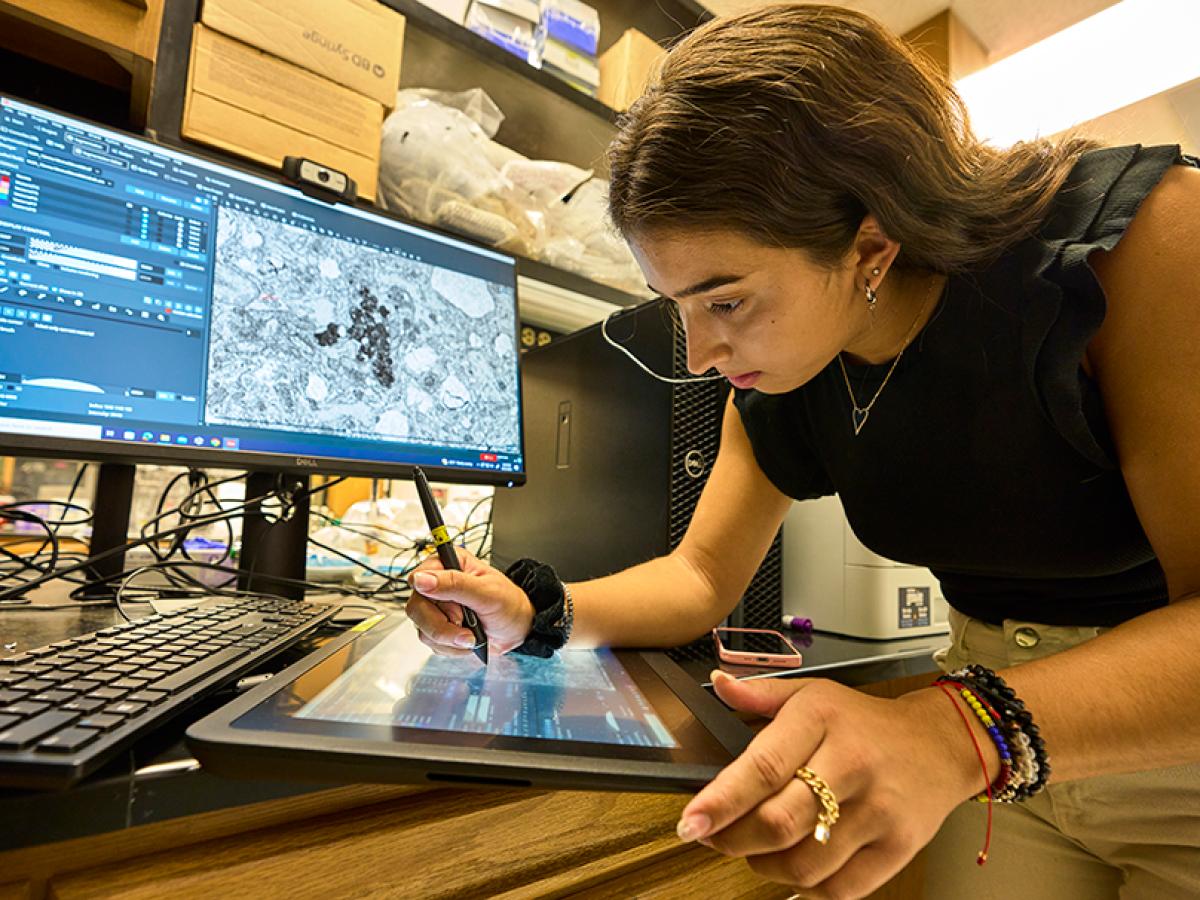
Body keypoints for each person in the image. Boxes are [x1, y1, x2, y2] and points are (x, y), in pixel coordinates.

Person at [406, 4, 1200, 898]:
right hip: (989, 741)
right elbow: (702, 578)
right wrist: (536, 613)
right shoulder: (789, 369)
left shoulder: (1138, 242)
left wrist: (955, 732)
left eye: (727, 301)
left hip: (1165, 744)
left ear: (870, 242)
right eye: (679, 307)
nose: (701, 354)